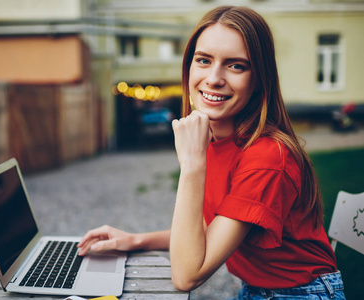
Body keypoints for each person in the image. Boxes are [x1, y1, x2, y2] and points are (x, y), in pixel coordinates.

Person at [78, 5, 345, 299]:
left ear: (259, 80)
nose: (214, 78)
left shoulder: (268, 157)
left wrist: (192, 165)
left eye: (236, 65)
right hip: (260, 290)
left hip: (300, 294)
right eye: (203, 60)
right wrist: (135, 240)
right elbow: (212, 229)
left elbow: (186, 275)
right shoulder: (220, 139)